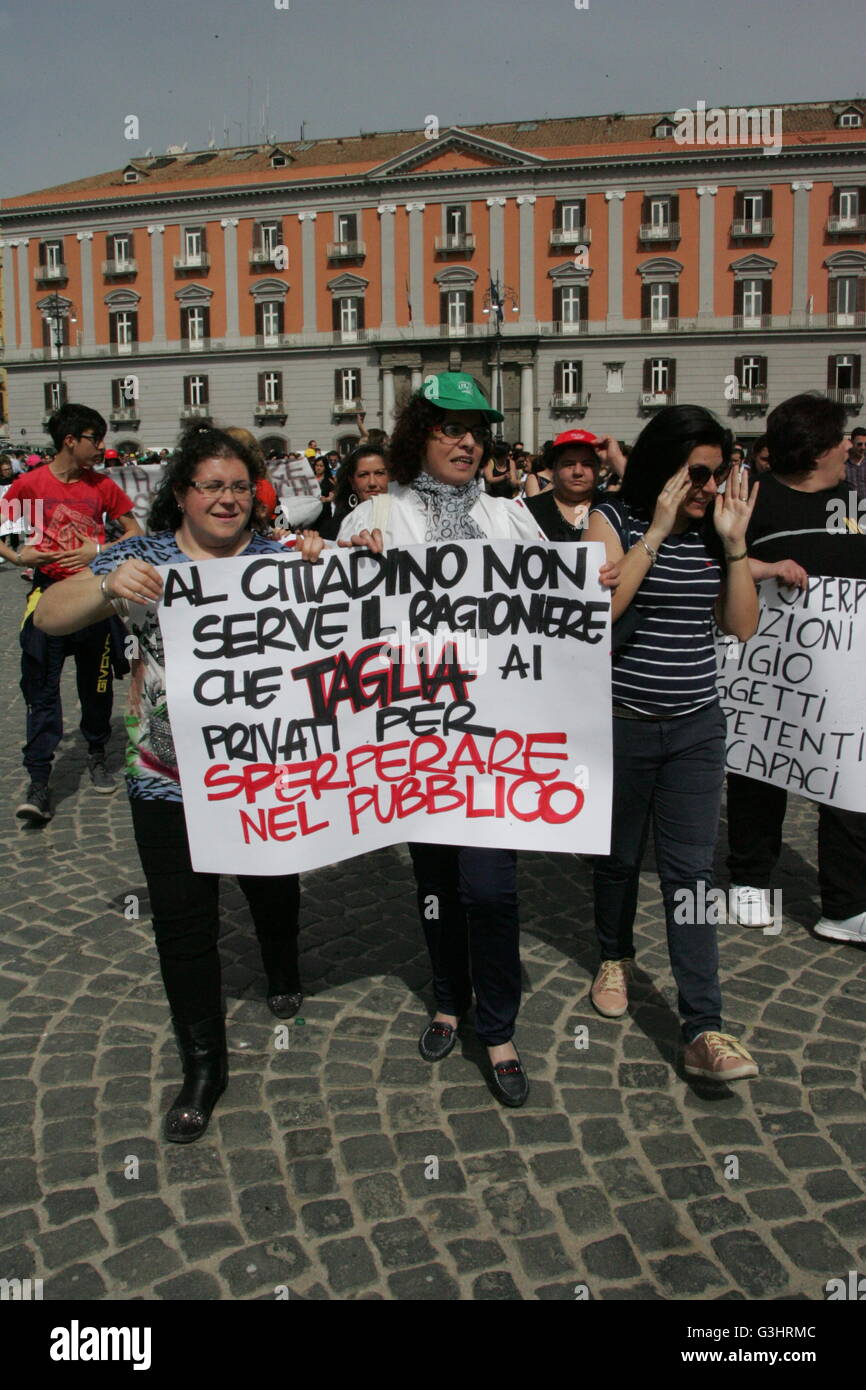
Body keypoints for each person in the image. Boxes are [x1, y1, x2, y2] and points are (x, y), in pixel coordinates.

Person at [34, 427, 324, 1142]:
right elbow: (48, 616)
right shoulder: (145, 556)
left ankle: (282, 963)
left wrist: (333, 558)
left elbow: (368, 611)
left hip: (264, 766)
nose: (225, 499)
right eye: (210, 486)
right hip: (167, 778)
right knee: (183, 919)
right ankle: (203, 1065)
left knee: (270, 879)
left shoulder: (280, 556)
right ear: (182, 495)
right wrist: (105, 585)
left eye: (237, 487)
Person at [338, 372, 616, 1107]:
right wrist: (342, 565)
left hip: (496, 745)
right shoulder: (374, 516)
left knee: (489, 889)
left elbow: (553, 615)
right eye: (449, 428)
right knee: (434, 886)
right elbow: (337, 630)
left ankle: (497, 1025)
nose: (467, 441)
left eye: (476, 431)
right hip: (416, 741)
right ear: (417, 435)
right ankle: (446, 1000)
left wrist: (593, 583)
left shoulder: (512, 518)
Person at [584, 404, 761, 1082]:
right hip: (623, 722)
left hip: (695, 727)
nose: (711, 488)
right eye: (699, 474)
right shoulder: (614, 519)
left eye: (719, 475)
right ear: (665, 468)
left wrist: (736, 544)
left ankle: (704, 1026)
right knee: (619, 858)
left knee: (690, 874)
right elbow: (601, 612)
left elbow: (740, 626)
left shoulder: (715, 532)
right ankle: (612, 952)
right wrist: (655, 530)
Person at [726, 393, 866, 943]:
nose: (849, 448)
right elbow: (721, 568)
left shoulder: (855, 504)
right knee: (760, 771)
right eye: (841, 440)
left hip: (846, 673)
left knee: (849, 783)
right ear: (817, 449)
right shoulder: (756, 503)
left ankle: (846, 905)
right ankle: (751, 879)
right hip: (769, 671)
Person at [1, 404, 142, 824]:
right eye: (94, 439)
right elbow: (6, 539)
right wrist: (19, 556)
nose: (101, 447)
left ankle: (97, 754)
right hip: (47, 599)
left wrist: (97, 550)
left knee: (97, 687)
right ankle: (40, 781)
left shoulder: (102, 486)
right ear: (70, 440)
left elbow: (135, 532)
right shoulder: (28, 485)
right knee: (41, 691)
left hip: (94, 599)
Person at [524, 429, 627, 540]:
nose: (578, 472)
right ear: (555, 467)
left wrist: (616, 459)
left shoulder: (615, 505)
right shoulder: (528, 510)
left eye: (587, 464)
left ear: (599, 468)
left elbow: (646, 498)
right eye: (569, 464)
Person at [317, 443, 389, 540]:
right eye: (363, 475)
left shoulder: (406, 515)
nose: (372, 482)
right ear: (352, 482)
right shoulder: (337, 525)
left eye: (379, 473)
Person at [845, 425, 866, 502]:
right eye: (859, 444)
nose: (863, 447)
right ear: (851, 443)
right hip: (847, 508)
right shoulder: (843, 465)